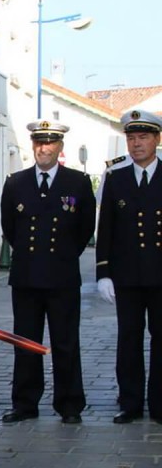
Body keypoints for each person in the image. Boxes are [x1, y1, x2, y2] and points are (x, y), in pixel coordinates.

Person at [0, 120, 96, 425]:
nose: (44, 148)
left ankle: (69, 404)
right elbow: (11, 229)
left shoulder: (77, 183)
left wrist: (64, 256)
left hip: (62, 276)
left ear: (60, 147)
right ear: (33, 147)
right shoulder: (16, 183)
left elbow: (84, 229)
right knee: (25, 342)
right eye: (39, 143)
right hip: (26, 276)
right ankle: (25, 402)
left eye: (50, 143)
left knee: (66, 342)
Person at [95, 109, 162, 424]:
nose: (137, 144)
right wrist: (103, 272)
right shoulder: (116, 177)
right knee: (129, 339)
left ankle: (160, 403)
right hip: (128, 275)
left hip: (161, 275)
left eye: (143, 137)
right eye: (132, 138)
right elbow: (105, 227)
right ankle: (130, 402)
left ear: (157, 140)